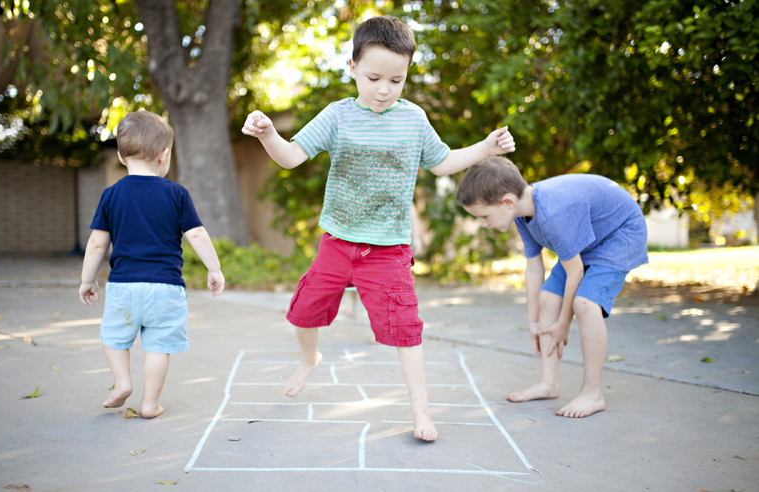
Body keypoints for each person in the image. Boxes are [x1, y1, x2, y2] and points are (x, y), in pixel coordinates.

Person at [242, 15, 515, 441]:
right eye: (373, 78)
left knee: (407, 330)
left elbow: (441, 162)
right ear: (351, 67)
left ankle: (421, 413)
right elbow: (292, 156)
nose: (384, 89)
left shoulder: (413, 119)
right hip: (337, 241)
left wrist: (485, 147)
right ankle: (309, 359)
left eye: (396, 80)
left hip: (387, 249)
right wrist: (267, 135)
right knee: (303, 311)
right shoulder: (337, 116)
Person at [456, 156, 648, 418]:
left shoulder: (553, 213)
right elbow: (535, 267)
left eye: (484, 216)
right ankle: (548, 383)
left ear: (507, 202)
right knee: (547, 298)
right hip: (589, 240)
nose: (483, 223)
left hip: (620, 234)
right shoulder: (523, 214)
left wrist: (563, 323)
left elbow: (575, 271)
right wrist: (533, 322)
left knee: (585, 304)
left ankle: (593, 393)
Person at [79, 110, 225, 419]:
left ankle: (121, 383)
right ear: (164, 155)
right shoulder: (176, 193)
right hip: (165, 287)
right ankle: (150, 403)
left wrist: (87, 280)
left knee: (115, 337)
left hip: (123, 285)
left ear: (120, 156)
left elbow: (96, 243)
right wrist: (214, 268)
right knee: (158, 345)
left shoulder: (111, 194)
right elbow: (196, 233)